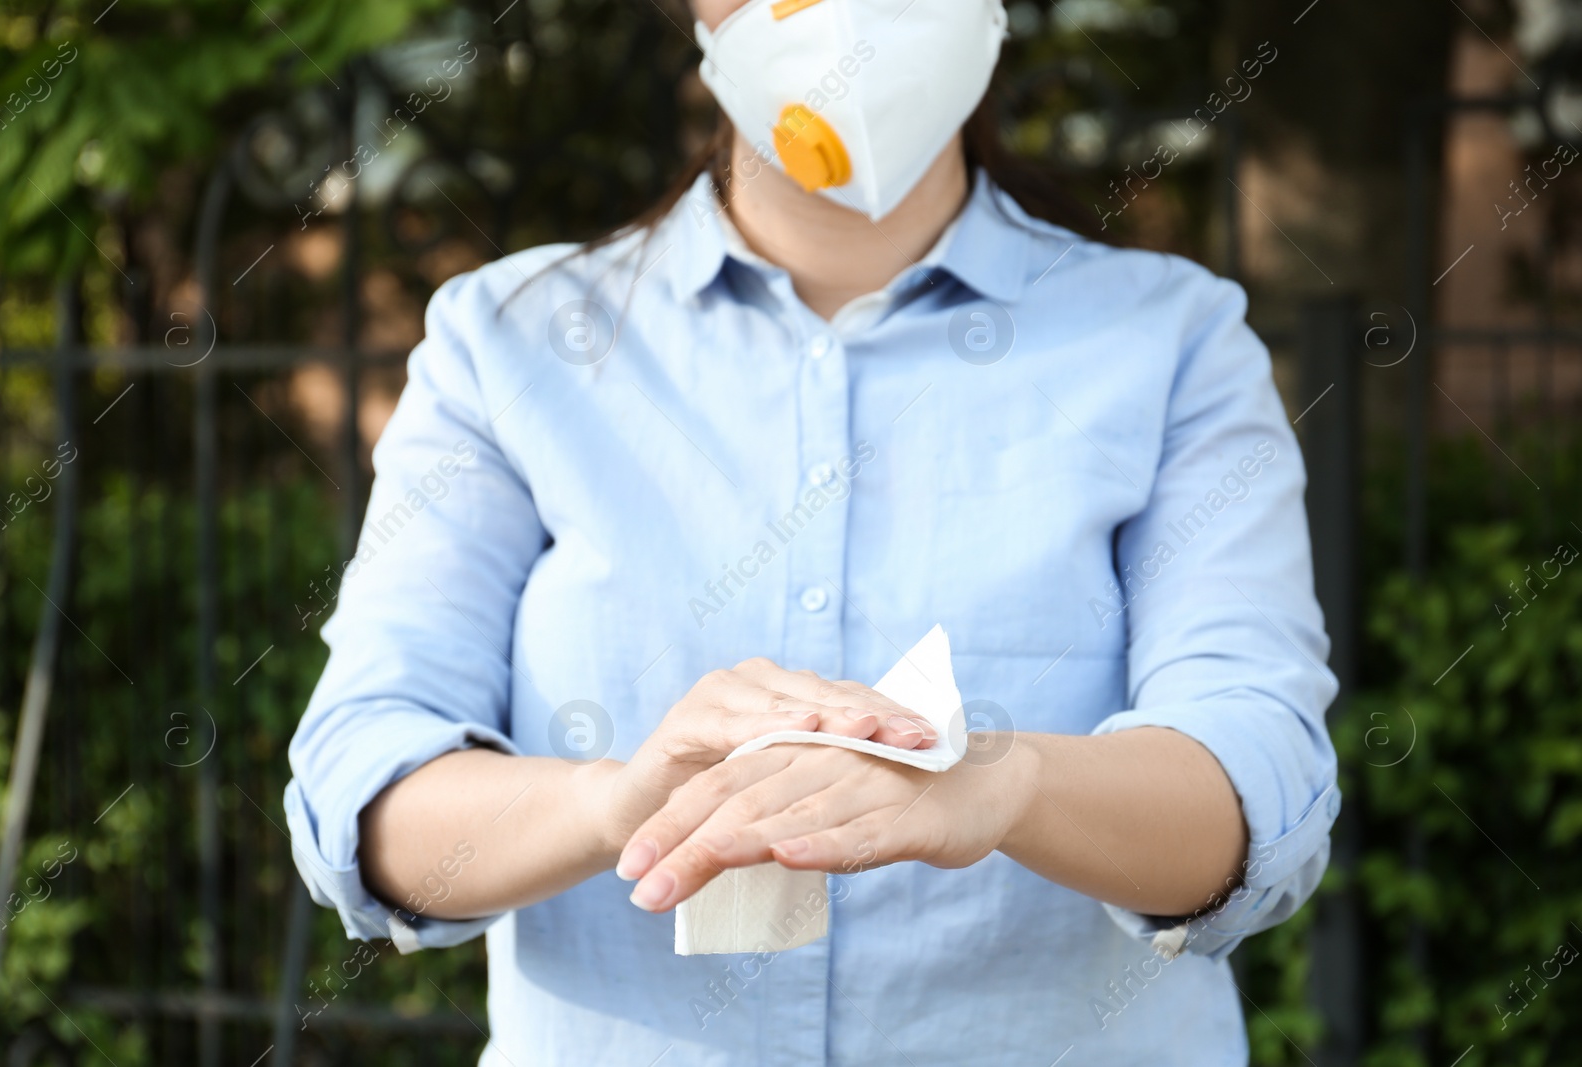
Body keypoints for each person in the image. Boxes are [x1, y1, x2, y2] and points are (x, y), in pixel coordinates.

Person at [284, 0, 1340, 1062]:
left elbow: (1259, 789)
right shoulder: (505, 343)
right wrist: (613, 804)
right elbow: (366, 788)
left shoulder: (1171, 341)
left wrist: (1009, 781)